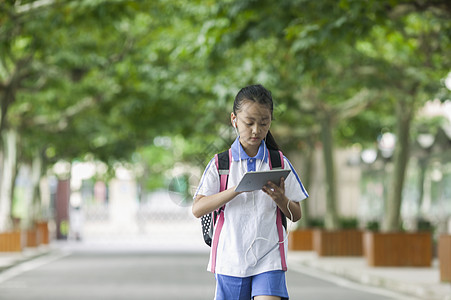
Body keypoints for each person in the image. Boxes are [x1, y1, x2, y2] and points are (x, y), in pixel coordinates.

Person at [192, 84, 309, 300]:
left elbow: (296, 214)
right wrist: (235, 190)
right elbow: (198, 209)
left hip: (269, 257)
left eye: (263, 123)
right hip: (230, 259)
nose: (256, 130)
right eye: (249, 123)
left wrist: (281, 199)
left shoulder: (278, 162)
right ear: (234, 120)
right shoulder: (221, 164)